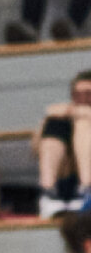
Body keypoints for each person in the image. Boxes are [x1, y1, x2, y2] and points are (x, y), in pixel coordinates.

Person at [36, 74, 91, 217]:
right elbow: (35, 148)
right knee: (55, 123)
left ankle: (87, 189)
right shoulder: (64, 118)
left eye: (88, 94)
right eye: (77, 95)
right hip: (66, 177)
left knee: (84, 125)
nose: (83, 99)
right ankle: (48, 192)